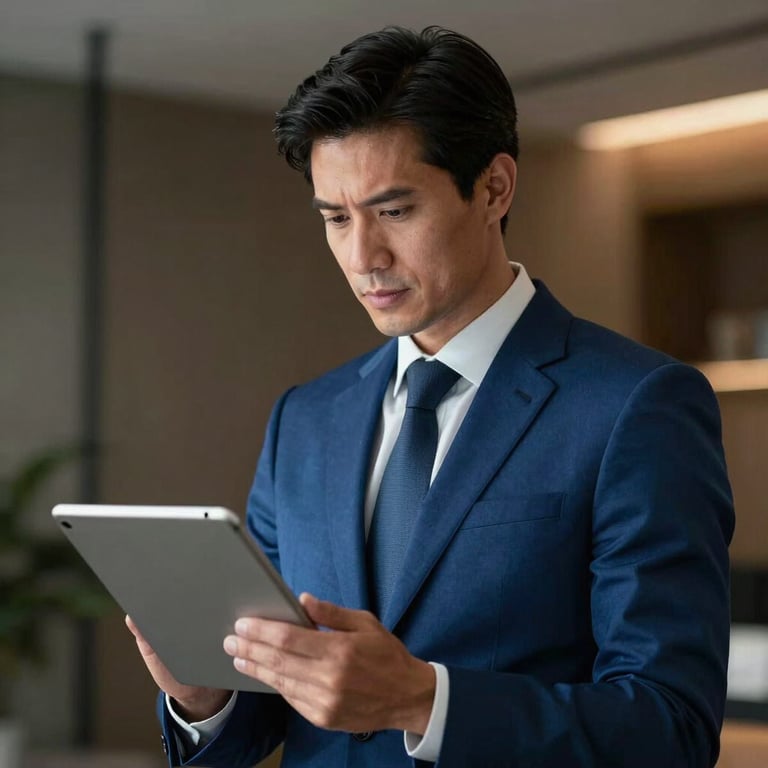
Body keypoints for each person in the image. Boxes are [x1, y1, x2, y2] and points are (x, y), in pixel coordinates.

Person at [127, 25, 734, 767]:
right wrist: (204, 701)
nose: (362, 257)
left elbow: (670, 730)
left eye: (394, 210)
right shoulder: (306, 421)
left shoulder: (638, 407)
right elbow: (280, 715)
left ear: (494, 187)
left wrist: (422, 700)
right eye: (335, 218)